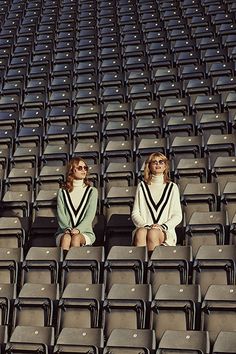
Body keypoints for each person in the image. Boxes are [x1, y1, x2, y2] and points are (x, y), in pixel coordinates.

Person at [131, 152, 182, 254]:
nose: (158, 164)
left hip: (165, 231)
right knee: (141, 232)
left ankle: (153, 266)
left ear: (165, 166)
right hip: (145, 228)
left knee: (153, 233)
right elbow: (135, 213)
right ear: (149, 166)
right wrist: (146, 226)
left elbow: (177, 216)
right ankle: (141, 266)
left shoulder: (172, 187)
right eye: (154, 162)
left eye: (161, 162)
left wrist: (162, 227)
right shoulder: (142, 186)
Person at [55, 157, 98, 255]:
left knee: (76, 238)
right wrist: (67, 229)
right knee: (66, 238)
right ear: (72, 170)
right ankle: (63, 267)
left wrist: (78, 230)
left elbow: (90, 215)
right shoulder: (62, 192)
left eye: (85, 168)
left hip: (85, 232)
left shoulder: (92, 191)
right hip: (64, 231)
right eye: (80, 168)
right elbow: (61, 215)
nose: (83, 170)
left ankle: (75, 267)